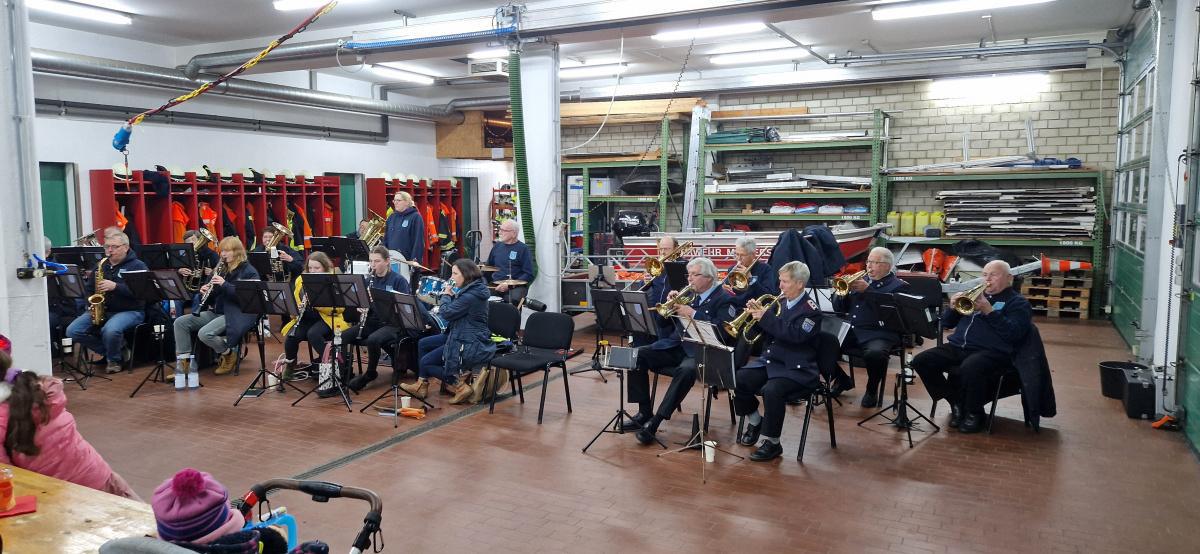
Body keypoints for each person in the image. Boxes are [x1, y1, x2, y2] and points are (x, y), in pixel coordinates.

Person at [0, 348, 140, 499]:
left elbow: (7, 479)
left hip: (64, 497)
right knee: (145, 520)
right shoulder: (37, 388)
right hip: (98, 475)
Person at [911, 260, 1032, 433]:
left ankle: (975, 413)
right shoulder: (974, 295)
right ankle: (955, 402)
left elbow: (1014, 334)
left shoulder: (1018, 303)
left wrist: (989, 311)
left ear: (1009, 278)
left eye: (993, 275)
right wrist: (953, 308)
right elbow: (946, 323)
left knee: (971, 367)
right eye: (984, 275)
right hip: (959, 347)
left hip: (993, 352)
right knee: (922, 360)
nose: (987, 279)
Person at [629, 257, 737, 446]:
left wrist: (694, 314)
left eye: (695, 275)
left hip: (704, 351)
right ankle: (644, 411)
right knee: (636, 354)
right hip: (675, 345)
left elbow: (722, 333)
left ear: (710, 277)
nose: (689, 279)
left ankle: (655, 423)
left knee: (686, 371)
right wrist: (669, 305)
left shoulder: (725, 299)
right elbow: (662, 323)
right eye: (689, 275)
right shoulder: (689, 294)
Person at [733, 261, 823, 461]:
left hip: (797, 367)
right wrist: (754, 317)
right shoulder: (780, 303)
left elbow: (796, 336)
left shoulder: (811, 310)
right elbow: (766, 332)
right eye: (780, 280)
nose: (780, 286)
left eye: (784, 281)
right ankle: (756, 421)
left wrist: (766, 318)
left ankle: (772, 443)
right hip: (772, 361)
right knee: (738, 378)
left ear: (799, 284)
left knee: (772, 390)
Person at [400, 259, 495, 403]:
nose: (451, 278)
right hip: (460, 332)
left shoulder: (470, 296)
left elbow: (447, 313)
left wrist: (447, 295)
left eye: (455, 274)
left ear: (466, 275)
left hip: (468, 341)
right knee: (423, 343)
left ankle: (459, 385)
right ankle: (421, 384)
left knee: (426, 363)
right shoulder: (472, 289)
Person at [172, 237, 260, 386]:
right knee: (180, 322)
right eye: (222, 251)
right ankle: (184, 364)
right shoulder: (221, 268)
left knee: (205, 333)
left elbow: (247, 298)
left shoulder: (248, 271)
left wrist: (225, 284)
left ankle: (228, 354)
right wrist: (205, 290)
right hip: (218, 311)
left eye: (226, 251)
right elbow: (213, 294)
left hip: (238, 313)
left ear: (237, 252)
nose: (223, 254)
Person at [833, 247, 908, 407]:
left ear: (887, 266)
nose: (869, 266)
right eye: (868, 262)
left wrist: (869, 291)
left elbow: (890, 315)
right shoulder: (861, 280)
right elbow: (839, 308)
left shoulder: (898, 286)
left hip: (880, 333)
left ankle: (872, 389)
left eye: (875, 262)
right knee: (818, 343)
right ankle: (841, 379)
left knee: (876, 354)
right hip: (852, 330)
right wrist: (841, 293)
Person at [65, 230, 148, 374]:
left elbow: (143, 293)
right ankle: (117, 351)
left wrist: (116, 286)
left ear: (125, 247)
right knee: (72, 331)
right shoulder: (101, 265)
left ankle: (114, 360)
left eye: (114, 247)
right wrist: (89, 304)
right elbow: (89, 289)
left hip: (130, 310)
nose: (109, 250)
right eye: (107, 246)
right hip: (103, 309)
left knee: (110, 330)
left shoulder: (137, 266)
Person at [343, 246, 415, 392]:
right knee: (343, 336)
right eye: (371, 261)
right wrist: (362, 306)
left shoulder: (399, 281)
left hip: (393, 323)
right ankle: (344, 372)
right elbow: (361, 303)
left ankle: (370, 373)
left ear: (387, 261)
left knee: (373, 340)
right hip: (374, 321)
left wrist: (376, 302)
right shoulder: (368, 280)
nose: (373, 265)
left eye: (377, 261)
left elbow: (404, 309)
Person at [281, 252, 350, 395]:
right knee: (291, 337)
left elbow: (340, 309)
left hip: (327, 317)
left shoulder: (331, 280)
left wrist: (316, 303)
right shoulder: (300, 280)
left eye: (316, 268)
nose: (312, 271)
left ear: (325, 268)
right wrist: (296, 310)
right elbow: (294, 301)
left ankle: (331, 365)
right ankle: (290, 365)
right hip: (306, 317)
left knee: (313, 334)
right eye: (310, 268)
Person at [630, 235, 685, 349]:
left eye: (666, 249)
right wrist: (645, 282)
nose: (663, 252)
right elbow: (643, 288)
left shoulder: (684, 265)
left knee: (665, 346)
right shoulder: (657, 265)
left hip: (672, 315)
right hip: (656, 312)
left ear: (676, 248)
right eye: (661, 249)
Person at [485, 219, 534, 305]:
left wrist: (510, 285)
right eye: (500, 229)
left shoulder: (523, 249)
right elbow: (489, 267)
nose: (500, 232)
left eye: (504, 230)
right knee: (482, 296)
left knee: (513, 300)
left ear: (514, 233)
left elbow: (528, 274)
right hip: (496, 284)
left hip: (516, 286)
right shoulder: (497, 246)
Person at [728, 236, 776, 309]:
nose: (739, 258)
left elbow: (769, 296)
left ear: (753, 255)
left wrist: (751, 279)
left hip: (755, 310)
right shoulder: (732, 269)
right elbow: (731, 294)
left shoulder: (765, 269)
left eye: (743, 255)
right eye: (737, 254)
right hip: (736, 309)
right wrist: (725, 290)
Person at [384, 192, 425, 265]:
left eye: (398, 200)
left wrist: (414, 260)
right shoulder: (391, 217)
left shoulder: (415, 217)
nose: (395, 203)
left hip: (408, 261)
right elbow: (386, 239)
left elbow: (418, 241)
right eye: (394, 200)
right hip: (392, 260)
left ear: (407, 202)